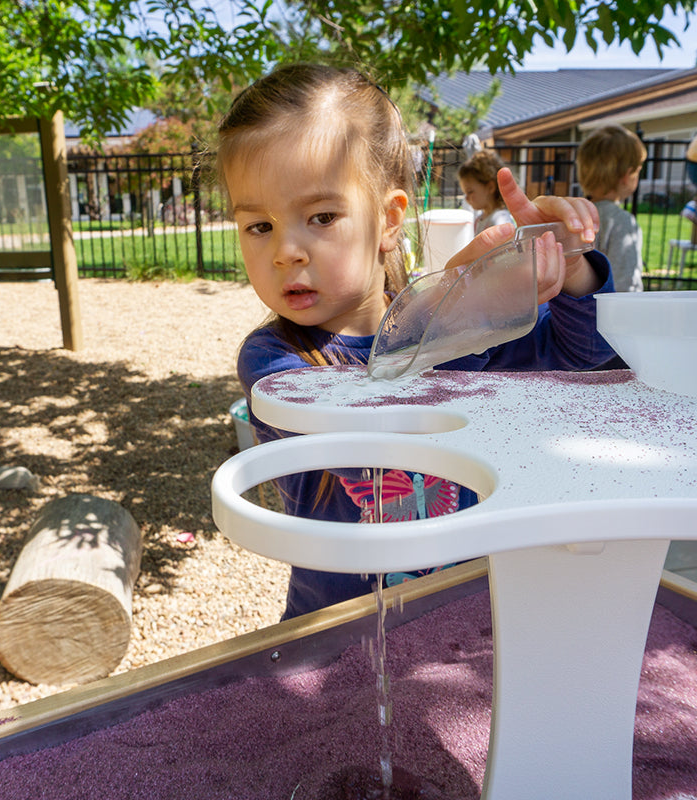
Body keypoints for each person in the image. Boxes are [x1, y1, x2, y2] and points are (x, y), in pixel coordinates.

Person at [216, 63, 618, 620]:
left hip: (470, 618)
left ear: (388, 220)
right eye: (259, 226)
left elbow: (583, 354)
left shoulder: (462, 328)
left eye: (322, 216)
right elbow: (362, 441)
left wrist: (570, 267)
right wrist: (452, 310)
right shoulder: (274, 360)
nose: (286, 251)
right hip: (337, 629)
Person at [575, 125, 646, 292]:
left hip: (576, 306)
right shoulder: (622, 222)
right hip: (610, 308)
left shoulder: (573, 216)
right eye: (638, 171)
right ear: (627, 175)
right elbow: (626, 283)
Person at [457, 149, 515, 234]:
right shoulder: (480, 219)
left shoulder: (500, 220)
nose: (466, 198)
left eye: (470, 192)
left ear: (490, 187)